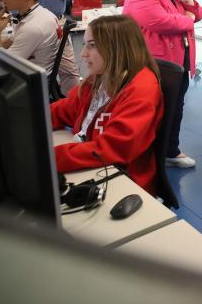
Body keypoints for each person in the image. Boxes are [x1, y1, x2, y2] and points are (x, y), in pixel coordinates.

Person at [50, 15, 163, 195]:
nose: (83, 53)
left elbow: (112, 149)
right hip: (94, 163)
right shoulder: (100, 77)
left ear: (117, 48)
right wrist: (27, 118)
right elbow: (64, 110)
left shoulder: (141, 89)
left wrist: (49, 157)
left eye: (91, 45)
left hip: (123, 179)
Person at [122, 0, 202, 168]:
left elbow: (199, 13)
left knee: (174, 108)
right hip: (155, 63)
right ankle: (150, 156)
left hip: (177, 61)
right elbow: (162, 22)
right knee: (157, 111)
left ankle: (169, 151)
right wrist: (188, 17)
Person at [0, 0, 80, 94]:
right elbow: (11, 41)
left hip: (28, 87)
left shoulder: (32, 27)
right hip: (40, 77)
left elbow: (0, 65)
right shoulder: (41, 13)